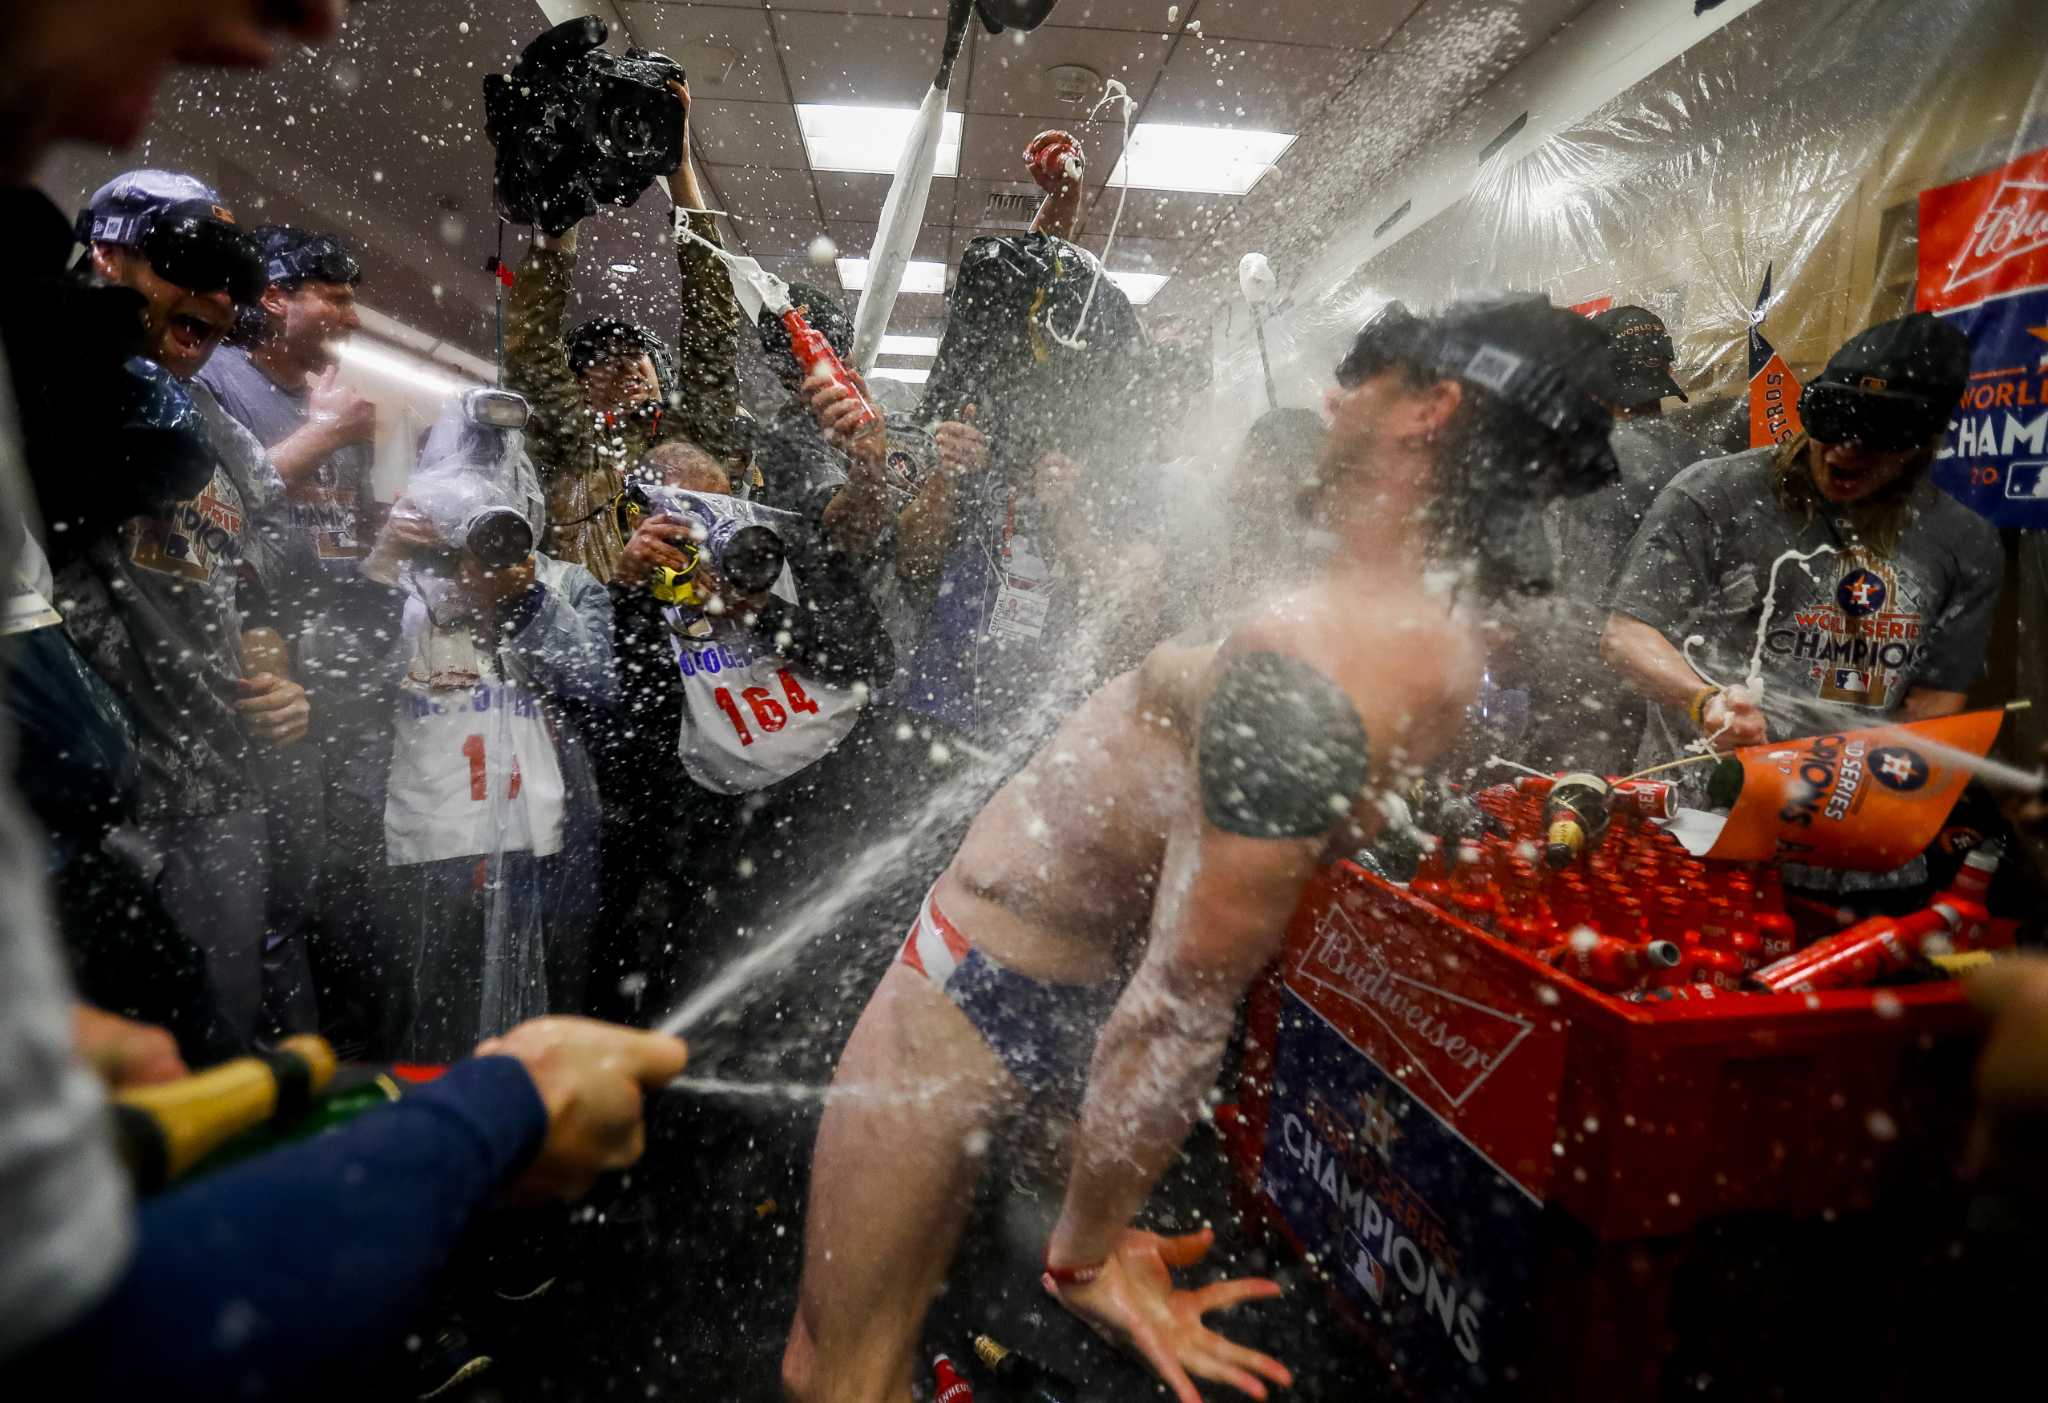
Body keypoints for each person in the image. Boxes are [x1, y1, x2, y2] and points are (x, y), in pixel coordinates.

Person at [782, 297, 1620, 1403]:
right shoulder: (1414, 627)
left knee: (829, 1373)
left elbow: (1184, 1000)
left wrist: (1086, 1250)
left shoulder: (1317, 660)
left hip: (979, 984)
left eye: (1361, 372)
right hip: (1057, 990)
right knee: (917, 1325)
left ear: (1430, 407)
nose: (1328, 396)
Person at [54, 169, 319, 1043]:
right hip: (83, 806)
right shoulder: (40, 384)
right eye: (185, 263)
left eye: (231, 284)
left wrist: (275, 657)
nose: (211, 296)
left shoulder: (223, 432)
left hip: (215, 801)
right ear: (107, 252)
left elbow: (265, 566)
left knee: (215, 1055)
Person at [1599, 311, 2001, 878]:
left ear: (1924, 441)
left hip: (1846, 852)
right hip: (1695, 835)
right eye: (1831, 421)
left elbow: (1933, 706)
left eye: (1877, 437)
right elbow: (1624, 636)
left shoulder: (1964, 544)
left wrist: (1884, 799)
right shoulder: (1713, 495)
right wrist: (1704, 701)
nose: (1842, 453)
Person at [896, 129, 1168, 749]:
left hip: (1049, 722)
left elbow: (1130, 611)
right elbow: (910, 559)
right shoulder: (957, 425)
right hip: (941, 708)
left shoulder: (1104, 458)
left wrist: (1066, 508)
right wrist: (944, 475)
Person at [365, 393, 614, 1059]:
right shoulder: (399, 582)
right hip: (424, 836)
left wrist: (525, 598)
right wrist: (386, 562)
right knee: (420, 1010)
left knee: (544, 1012)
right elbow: (345, 681)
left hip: (544, 839)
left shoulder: (565, 585)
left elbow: (596, 681)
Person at [503, 76, 739, 584]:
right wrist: (560, 215)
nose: (628, 365)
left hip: (689, 646)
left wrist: (680, 174)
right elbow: (533, 351)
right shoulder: (573, 443)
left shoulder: (689, 438)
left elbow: (713, 331)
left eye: (637, 354)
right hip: (589, 641)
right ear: (577, 385)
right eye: (603, 360)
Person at [1520, 304, 1705, 773]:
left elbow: (1574, 606)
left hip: (1594, 708)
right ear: (1664, 369)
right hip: (1690, 701)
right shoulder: (1713, 465)